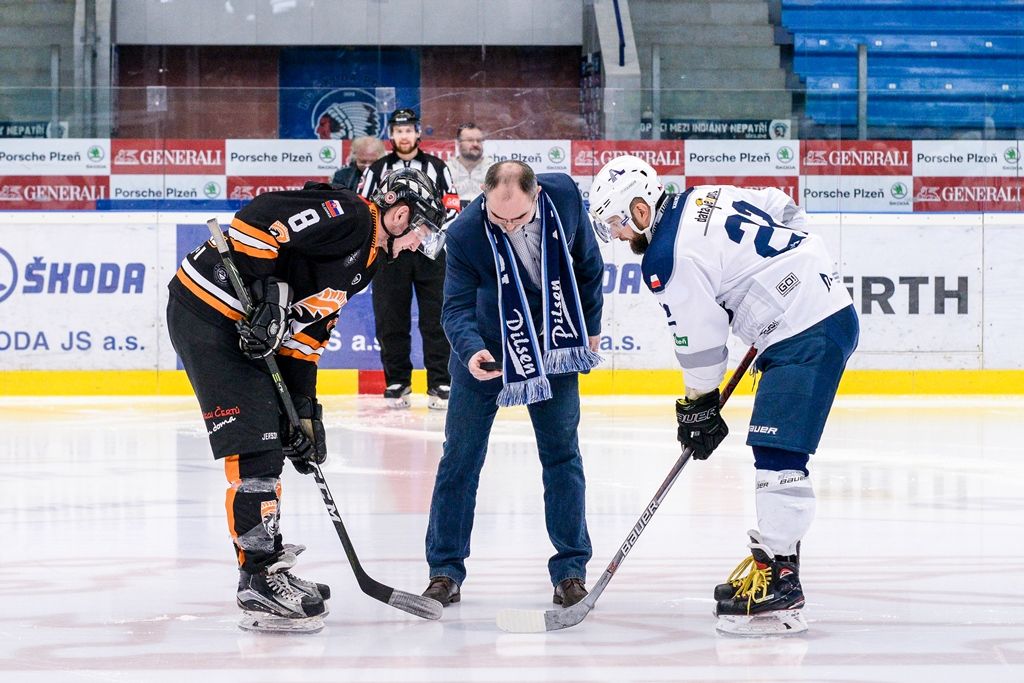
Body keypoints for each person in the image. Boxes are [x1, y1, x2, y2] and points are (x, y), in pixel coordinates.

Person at [588, 155, 859, 636]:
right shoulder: (703, 195)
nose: (620, 235)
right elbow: (783, 207)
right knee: (775, 448)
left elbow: (700, 340)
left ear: (640, 206)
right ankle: (776, 566)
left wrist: (698, 405)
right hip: (811, 315)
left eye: (617, 222)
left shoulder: (666, 256)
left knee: (777, 450)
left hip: (806, 328)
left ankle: (781, 581)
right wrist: (790, 273)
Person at [166, 169, 446, 633]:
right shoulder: (355, 216)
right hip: (208, 312)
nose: (421, 243)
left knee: (276, 435)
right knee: (257, 443)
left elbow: (308, 335)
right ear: (401, 213)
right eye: (423, 230)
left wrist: (305, 413)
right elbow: (259, 219)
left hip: (239, 328)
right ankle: (257, 578)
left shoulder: (369, 260)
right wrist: (264, 298)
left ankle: (267, 564)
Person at [421, 160, 604, 609]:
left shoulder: (564, 199)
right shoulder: (465, 232)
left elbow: (588, 266)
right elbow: (455, 308)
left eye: (517, 219)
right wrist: (471, 351)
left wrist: (591, 326)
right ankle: (445, 571)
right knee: (460, 458)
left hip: (554, 343)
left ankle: (570, 571)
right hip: (488, 349)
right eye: (496, 217)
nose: (506, 226)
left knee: (562, 456)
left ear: (536, 195)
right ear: (483, 197)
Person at [359, 108, 462, 410]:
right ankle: (397, 382)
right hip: (390, 255)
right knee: (391, 318)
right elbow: (364, 205)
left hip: (430, 253)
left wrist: (419, 232)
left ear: (418, 132)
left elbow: (452, 207)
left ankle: (440, 382)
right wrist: (390, 238)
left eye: (409, 129)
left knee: (436, 318)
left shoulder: (438, 167)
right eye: (398, 130)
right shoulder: (377, 169)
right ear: (391, 135)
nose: (404, 135)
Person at [445, 122, 493, 206]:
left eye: (479, 140)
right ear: (458, 143)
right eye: (470, 140)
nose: (475, 144)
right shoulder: (445, 170)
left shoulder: (494, 170)